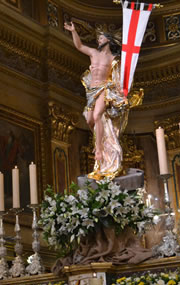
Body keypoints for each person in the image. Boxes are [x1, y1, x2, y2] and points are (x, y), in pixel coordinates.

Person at [64, 21, 143, 180]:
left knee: (97, 115)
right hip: (91, 91)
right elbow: (79, 47)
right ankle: (100, 144)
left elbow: (122, 74)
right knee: (89, 119)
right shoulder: (94, 53)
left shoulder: (114, 58)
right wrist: (73, 31)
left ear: (108, 40)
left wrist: (121, 89)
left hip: (104, 90)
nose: (98, 40)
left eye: (100, 38)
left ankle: (98, 149)